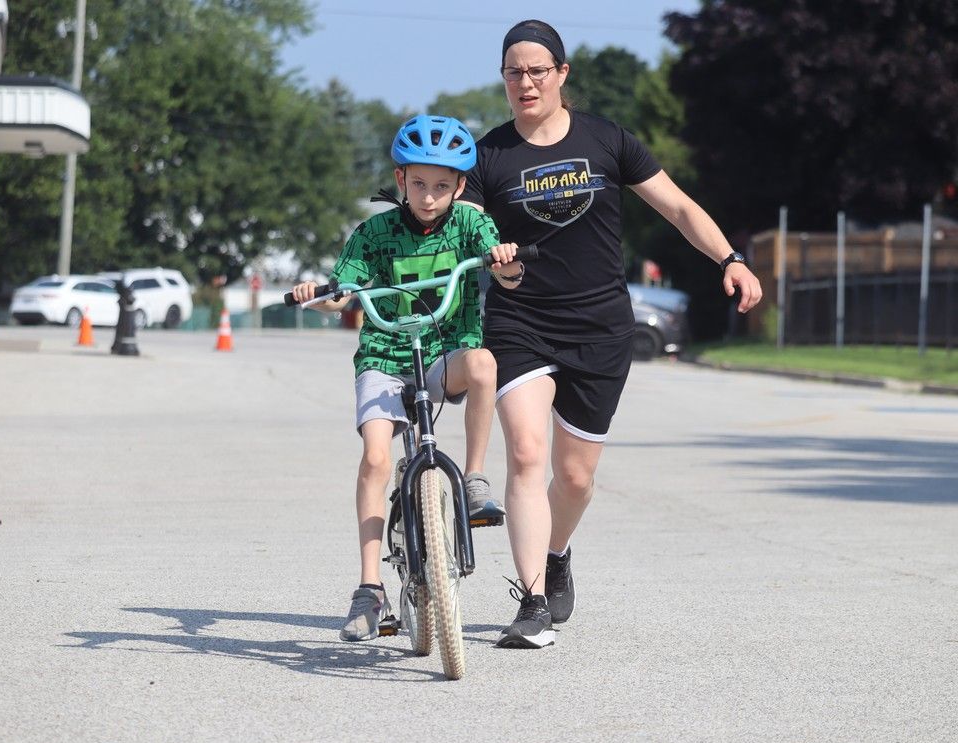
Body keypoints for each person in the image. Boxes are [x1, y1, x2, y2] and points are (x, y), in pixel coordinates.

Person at [459, 20, 764, 648]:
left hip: (599, 324)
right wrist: (495, 262)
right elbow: (466, 235)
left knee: (573, 478)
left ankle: (558, 551)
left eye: (538, 70)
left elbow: (677, 206)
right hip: (519, 320)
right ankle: (532, 601)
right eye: (513, 72)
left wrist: (730, 259)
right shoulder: (488, 157)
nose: (526, 83)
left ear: (562, 75)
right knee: (524, 453)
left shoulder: (607, 141)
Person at [290, 115, 523, 642]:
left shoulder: (470, 223)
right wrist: (321, 295)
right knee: (376, 457)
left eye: (443, 186)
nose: (430, 196)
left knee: (484, 361)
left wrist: (506, 260)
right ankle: (369, 588)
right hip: (385, 356)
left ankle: (475, 476)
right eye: (418, 183)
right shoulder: (373, 234)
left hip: (444, 354)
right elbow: (344, 293)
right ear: (400, 181)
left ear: (461, 187)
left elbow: (507, 273)